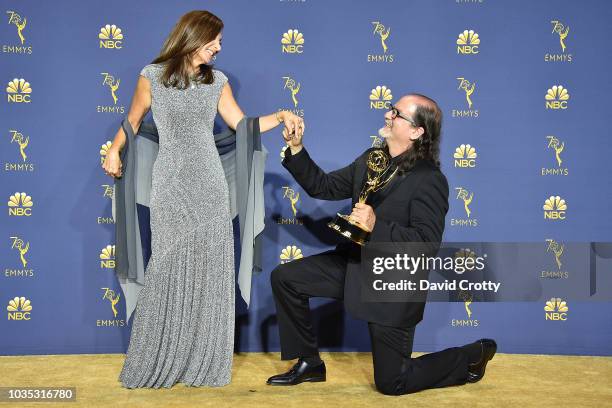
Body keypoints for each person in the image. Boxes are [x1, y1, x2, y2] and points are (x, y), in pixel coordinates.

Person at [101, 10, 304, 389]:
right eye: (215, 41)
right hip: (170, 183)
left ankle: (203, 361)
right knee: (165, 266)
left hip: (209, 184)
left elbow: (242, 126)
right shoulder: (151, 76)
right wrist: (114, 150)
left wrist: (279, 115)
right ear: (195, 37)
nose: (219, 48)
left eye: (221, 42)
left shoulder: (218, 81)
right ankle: (158, 357)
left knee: (211, 269)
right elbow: (131, 121)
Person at [267, 94, 496, 395]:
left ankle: (470, 355)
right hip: (355, 265)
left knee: (393, 382)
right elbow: (323, 186)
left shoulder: (429, 180)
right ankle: (310, 363)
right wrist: (296, 149)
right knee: (286, 278)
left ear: (417, 132)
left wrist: (376, 227)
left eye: (397, 113)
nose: (388, 115)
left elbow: (426, 244)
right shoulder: (372, 159)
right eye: (391, 109)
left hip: (392, 283)